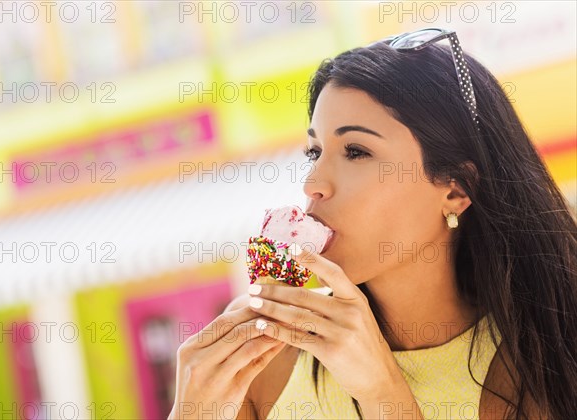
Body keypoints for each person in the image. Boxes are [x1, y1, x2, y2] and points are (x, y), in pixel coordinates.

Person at [169, 28, 577, 420]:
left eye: (357, 151)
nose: (313, 183)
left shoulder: (540, 365)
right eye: (315, 152)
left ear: (456, 189)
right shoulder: (267, 359)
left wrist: (382, 394)